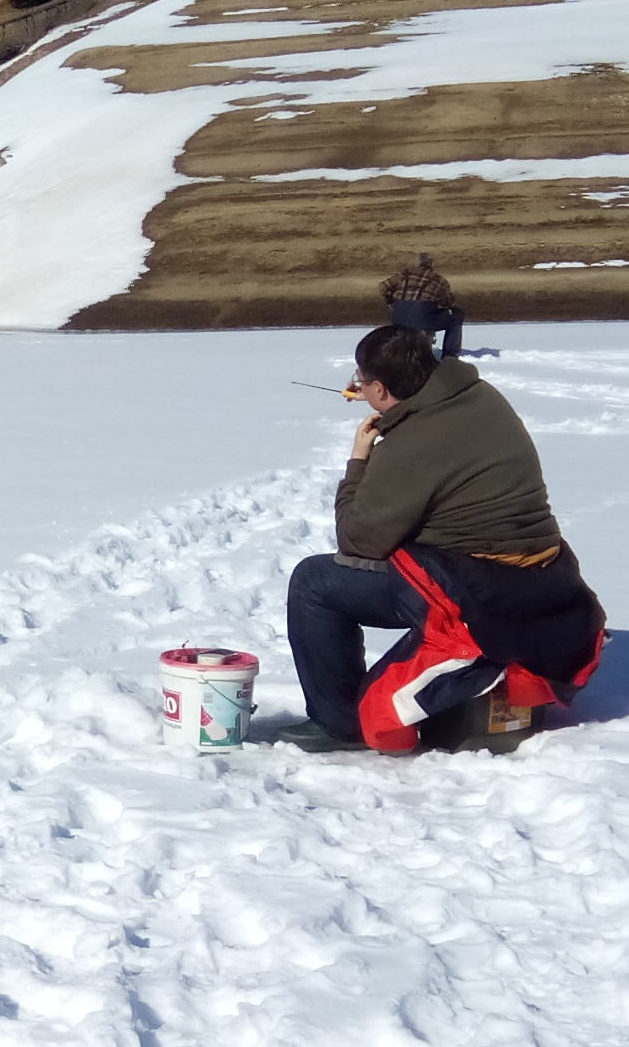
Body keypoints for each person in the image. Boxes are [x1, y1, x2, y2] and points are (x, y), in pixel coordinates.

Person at [255, 323, 606, 755]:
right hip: (545, 577)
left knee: (314, 581)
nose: (358, 389)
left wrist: (359, 460)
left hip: (476, 591)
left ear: (381, 389)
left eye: (361, 382)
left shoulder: (410, 445)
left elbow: (359, 539)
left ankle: (337, 722)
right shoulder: (480, 396)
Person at [380, 251, 464, 360]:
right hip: (423, 319)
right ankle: (450, 355)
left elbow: (383, 288)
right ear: (432, 265)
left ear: (417, 264)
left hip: (398, 318)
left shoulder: (403, 274)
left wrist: (391, 303)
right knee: (456, 315)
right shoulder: (439, 280)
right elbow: (448, 303)